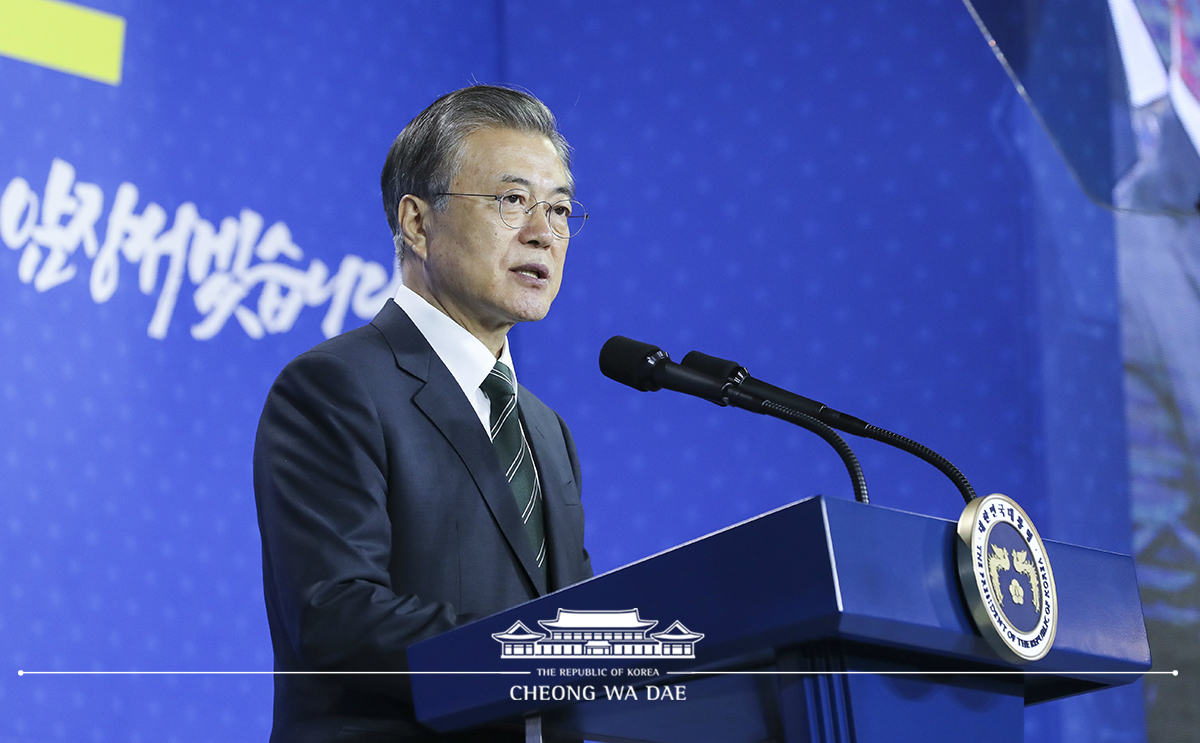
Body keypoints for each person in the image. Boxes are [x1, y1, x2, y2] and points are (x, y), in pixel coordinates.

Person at [253, 84, 593, 742]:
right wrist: (545, 654)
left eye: (560, 209)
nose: (544, 233)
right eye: (513, 200)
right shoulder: (334, 386)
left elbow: (569, 627)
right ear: (416, 222)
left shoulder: (547, 431)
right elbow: (337, 614)